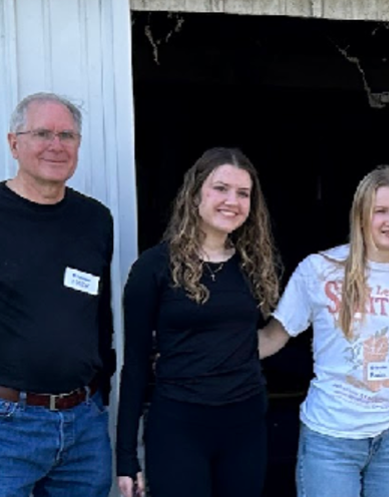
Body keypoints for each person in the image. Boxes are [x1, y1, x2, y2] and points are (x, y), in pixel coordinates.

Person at [0, 92, 116, 497]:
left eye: (67, 135)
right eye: (42, 133)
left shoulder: (95, 220)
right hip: (0, 427)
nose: (56, 145)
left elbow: (100, 318)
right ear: (14, 143)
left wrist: (100, 398)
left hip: (83, 426)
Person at [257, 167, 389, 497]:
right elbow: (273, 338)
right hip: (332, 434)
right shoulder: (320, 269)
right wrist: (206, 351)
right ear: (361, 215)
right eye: (380, 211)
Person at [116, 148, 282, 497]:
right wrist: (126, 456)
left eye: (243, 193)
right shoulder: (154, 267)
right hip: (179, 424)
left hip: (245, 423)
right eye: (220, 188)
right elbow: (134, 365)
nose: (232, 201)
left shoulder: (254, 265)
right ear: (195, 195)